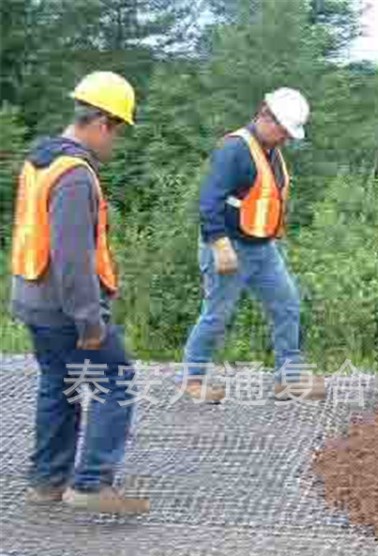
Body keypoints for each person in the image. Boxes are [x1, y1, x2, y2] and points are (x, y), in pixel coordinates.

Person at [10, 71, 149, 515]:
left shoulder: (41, 160)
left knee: (61, 383)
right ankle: (90, 484)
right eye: (118, 132)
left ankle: (47, 481)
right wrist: (90, 320)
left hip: (32, 298)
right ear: (102, 122)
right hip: (64, 306)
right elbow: (73, 258)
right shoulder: (75, 176)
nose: (116, 143)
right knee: (116, 379)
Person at [183, 88, 326, 402]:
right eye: (284, 131)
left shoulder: (271, 150)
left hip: (262, 249)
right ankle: (195, 380)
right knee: (217, 314)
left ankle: (288, 378)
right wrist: (219, 245)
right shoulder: (235, 150)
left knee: (287, 304)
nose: (286, 139)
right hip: (229, 246)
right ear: (266, 117)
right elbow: (209, 202)